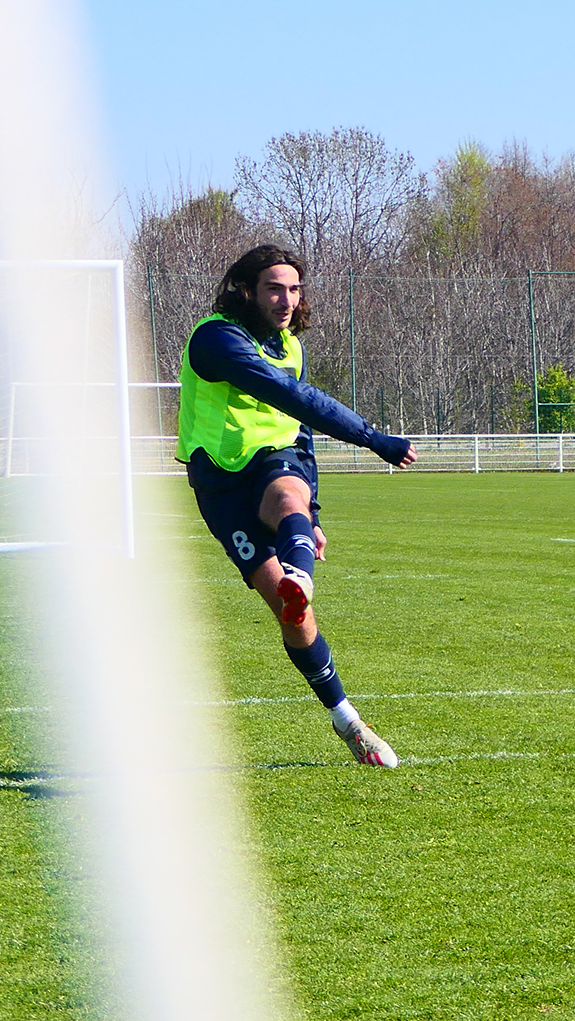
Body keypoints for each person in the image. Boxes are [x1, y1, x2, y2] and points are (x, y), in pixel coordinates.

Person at [178, 244, 417, 765]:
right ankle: (345, 717)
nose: (287, 300)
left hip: (275, 461)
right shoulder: (216, 338)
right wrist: (373, 438)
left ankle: (300, 576)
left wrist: (313, 515)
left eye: (294, 289)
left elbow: (300, 427)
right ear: (245, 291)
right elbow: (292, 397)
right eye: (274, 289)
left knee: (290, 498)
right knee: (293, 618)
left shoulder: (290, 347)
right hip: (220, 483)